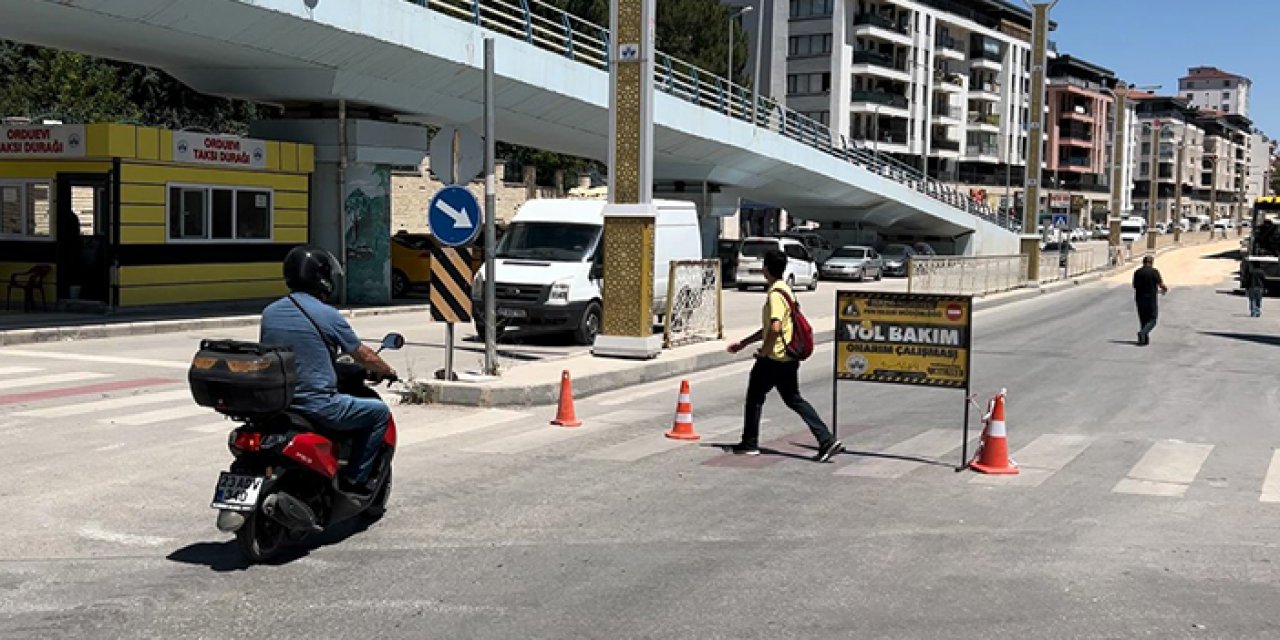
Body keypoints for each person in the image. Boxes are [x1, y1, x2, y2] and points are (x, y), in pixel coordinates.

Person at [260, 246, 398, 493]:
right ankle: (355, 479)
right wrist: (388, 371)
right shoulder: (327, 314)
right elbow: (363, 354)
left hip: (280, 403)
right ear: (321, 277)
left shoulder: (270, 313)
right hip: (319, 406)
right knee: (379, 413)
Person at [727, 249, 844, 462]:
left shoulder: (775, 295)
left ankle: (749, 443)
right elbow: (771, 328)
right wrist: (744, 343)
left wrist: (764, 352)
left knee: (754, 397)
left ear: (766, 269)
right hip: (788, 359)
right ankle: (826, 439)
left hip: (775, 359)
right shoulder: (787, 291)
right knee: (794, 399)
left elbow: (775, 327)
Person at [1132, 254, 1168, 346]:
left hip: (1139, 299)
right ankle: (1143, 333)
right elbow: (1161, 284)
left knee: (1143, 319)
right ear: (1151, 263)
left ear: (1143, 262)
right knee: (1152, 319)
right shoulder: (1154, 272)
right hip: (1151, 299)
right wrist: (1164, 289)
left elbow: (1134, 286)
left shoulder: (1137, 272)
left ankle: (1144, 340)